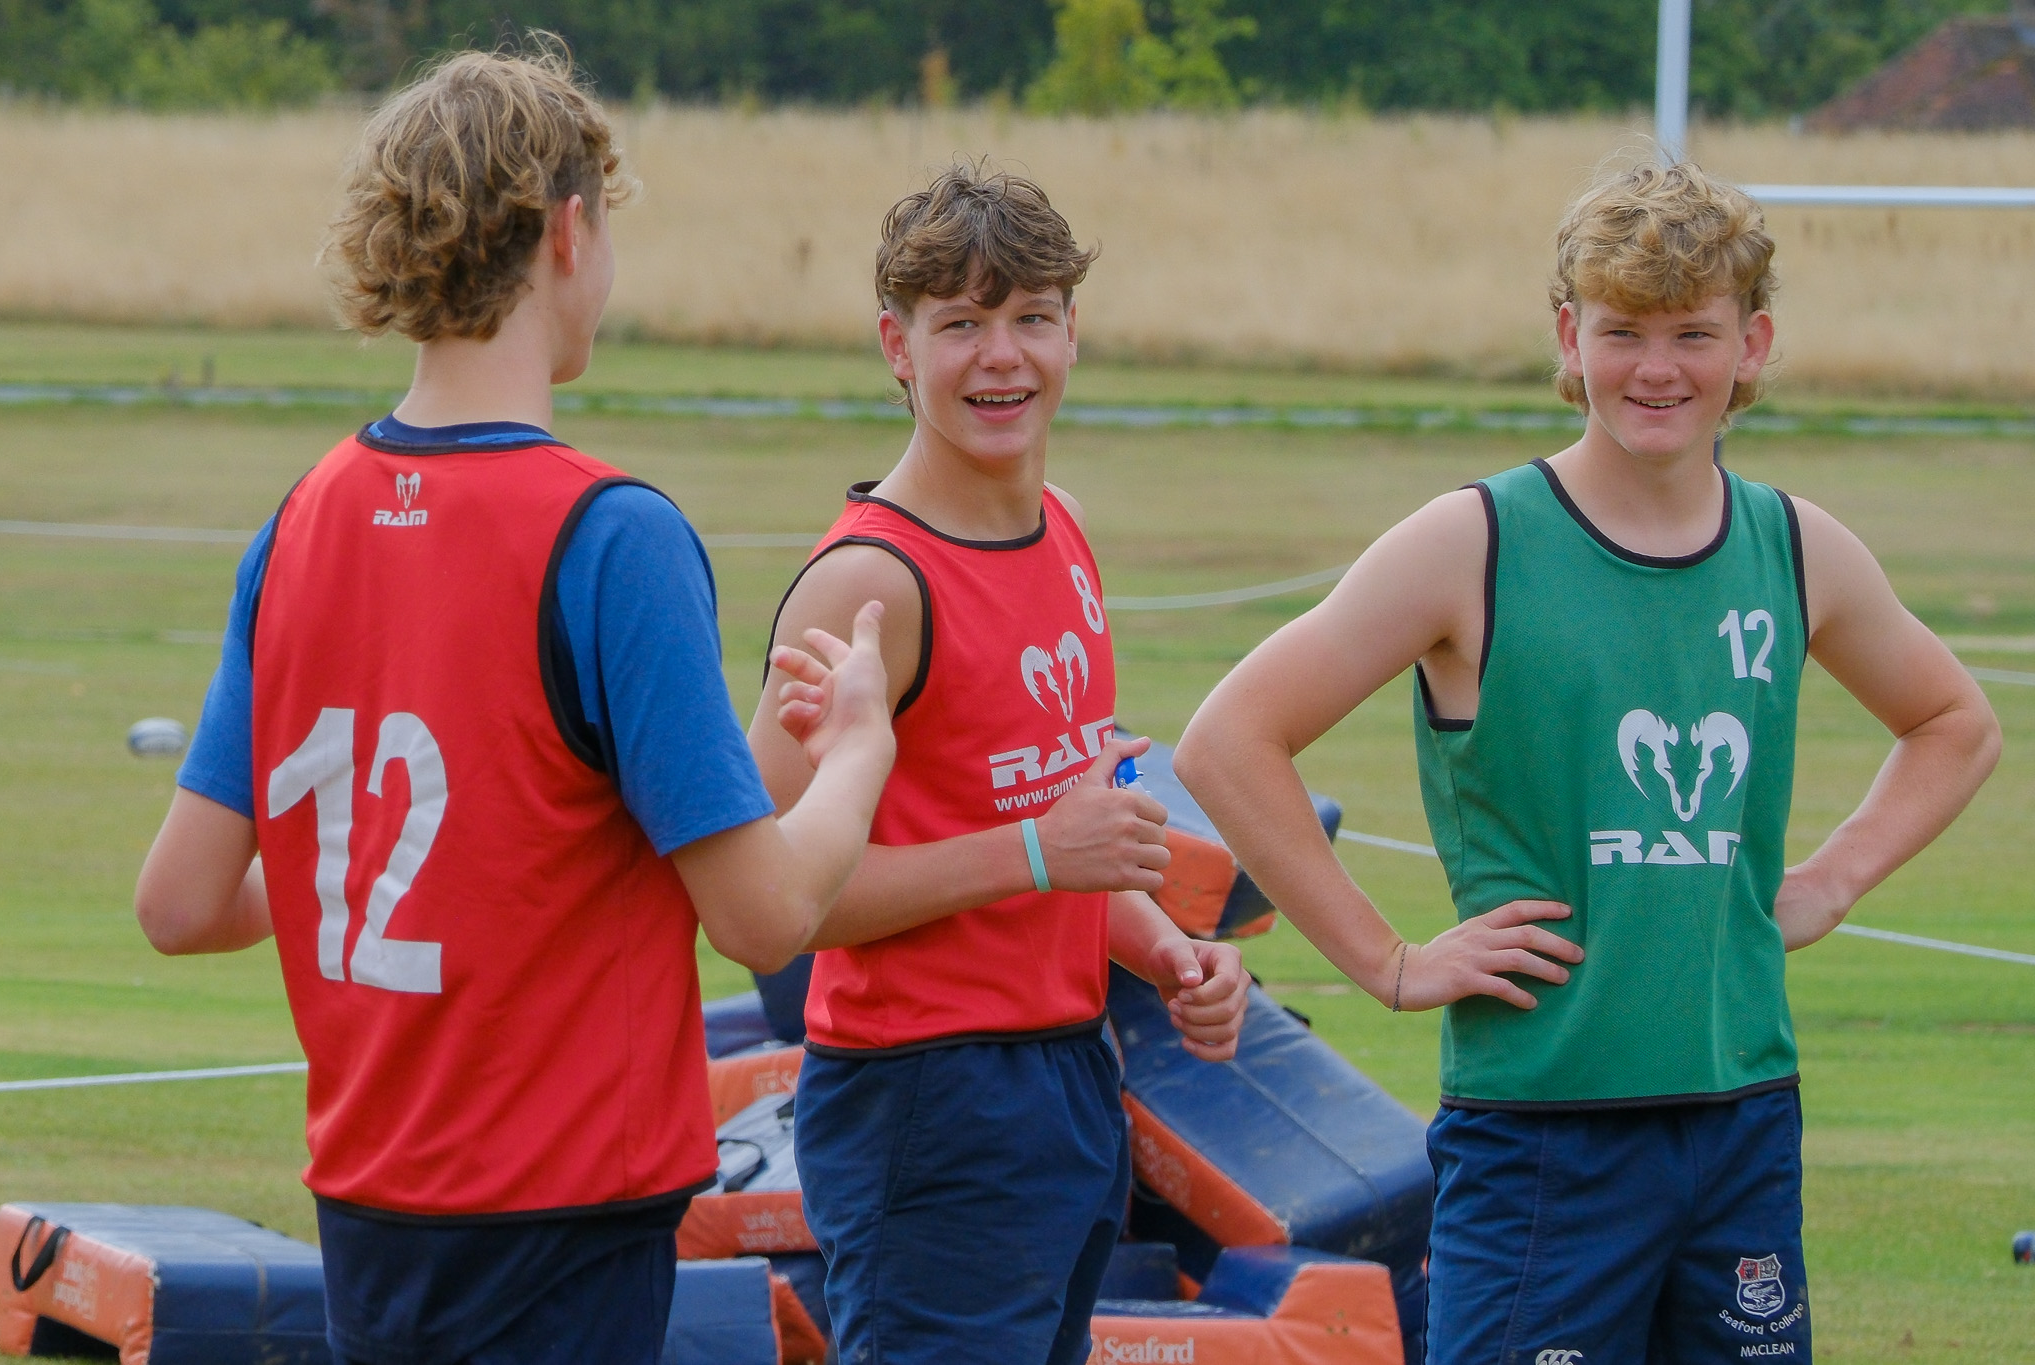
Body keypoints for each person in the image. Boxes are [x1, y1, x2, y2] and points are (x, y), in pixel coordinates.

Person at [131, 43, 896, 1365]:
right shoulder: (613, 536)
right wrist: (861, 754)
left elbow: (182, 903)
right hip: (563, 1220)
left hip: (369, 1209)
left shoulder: (300, 522)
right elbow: (762, 915)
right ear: (567, 232)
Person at [1174, 160, 2000, 1363]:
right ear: (1569, 337)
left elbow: (1953, 723)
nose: (1655, 368)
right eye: (1622, 332)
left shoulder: (1792, 546)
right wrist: (1389, 962)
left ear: (1751, 345)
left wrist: (1829, 881)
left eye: (1691, 334)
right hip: (1540, 1133)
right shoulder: (1472, 542)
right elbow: (1227, 740)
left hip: (1739, 1119)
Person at [746, 163, 1252, 1365]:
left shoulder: (1059, 524)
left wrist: (1167, 951)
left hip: (1068, 1077)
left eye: (1029, 316)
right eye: (961, 324)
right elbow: (763, 900)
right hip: (921, 1101)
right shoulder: (866, 582)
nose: (1001, 357)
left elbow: (1067, 834)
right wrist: (1033, 852)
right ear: (896, 345)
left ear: (1072, 332)